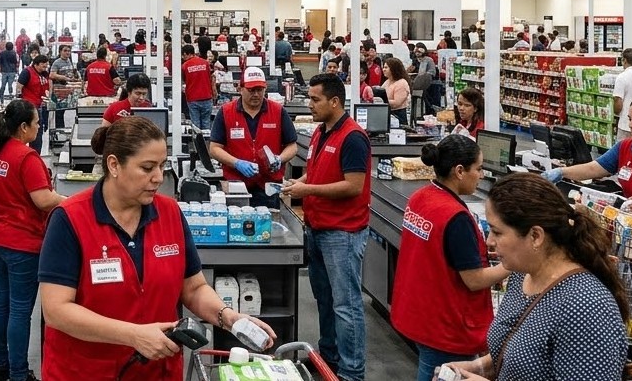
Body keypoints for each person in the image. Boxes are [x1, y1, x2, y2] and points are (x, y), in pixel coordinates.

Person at [37, 117, 275, 379]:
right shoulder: (70, 219)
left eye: (162, 166)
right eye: (147, 168)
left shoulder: (169, 212)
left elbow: (193, 287)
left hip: (157, 371)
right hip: (87, 371)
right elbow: (57, 310)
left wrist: (227, 317)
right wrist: (134, 336)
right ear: (114, 165)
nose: (159, 178)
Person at [443, 173, 628, 381]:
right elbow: (520, 355)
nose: (489, 241)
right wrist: (479, 368)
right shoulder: (522, 274)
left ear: (535, 236)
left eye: (497, 232)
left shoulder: (588, 308)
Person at [390, 136, 509, 381]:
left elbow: (437, 251)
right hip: (446, 326)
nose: (481, 174)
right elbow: (474, 280)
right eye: (478, 169)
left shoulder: (421, 197)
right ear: (459, 171)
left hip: (420, 314)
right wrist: (514, 263)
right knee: (440, 374)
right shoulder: (455, 217)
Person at [281, 74, 371, 381]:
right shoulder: (321, 132)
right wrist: (299, 182)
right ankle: (328, 359)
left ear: (334, 102)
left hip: (342, 234)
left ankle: (351, 372)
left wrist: (308, 192)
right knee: (325, 299)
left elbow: (353, 186)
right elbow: (316, 172)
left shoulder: (353, 137)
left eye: (315, 99)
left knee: (346, 306)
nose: (310, 104)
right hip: (317, 228)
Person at [0, 100, 65, 381]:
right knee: (19, 309)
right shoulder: (25, 157)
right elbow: (43, 200)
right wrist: (70, 202)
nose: (39, 128)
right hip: (21, 242)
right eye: (36, 124)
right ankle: (18, 373)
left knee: (1, 302)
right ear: (23, 127)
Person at [209, 67, 298, 208]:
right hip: (236, 186)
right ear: (240, 88)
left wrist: (280, 159)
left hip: (267, 187)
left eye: (260, 90)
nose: (256, 94)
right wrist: (237, 163)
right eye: (251, 90)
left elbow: (292, 146)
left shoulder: (278, 111)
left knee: (267, 227)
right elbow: (214, 148)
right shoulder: (226, 112)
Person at [543, 97, 632, 215]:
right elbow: (593, 168)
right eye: (630, 119)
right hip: (630, 220)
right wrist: (561, 172)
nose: (631, 125)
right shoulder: (625, 147)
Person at [17, 54, 51, 154]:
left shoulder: (44, 73)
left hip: (41, 104)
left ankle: (35, 154)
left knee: (38, 132)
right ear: (36, 64)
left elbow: (47, 84)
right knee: (29, 130)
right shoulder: (27, 72)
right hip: (29, 106)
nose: (45, 68)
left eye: (46, 66)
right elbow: (19, 87)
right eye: (43, 65)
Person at [182, 44, 217, 130]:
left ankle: (197, 143)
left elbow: (185, 80)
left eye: (183, 55)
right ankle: (206, 142)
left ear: (187, 54)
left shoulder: (184, 66)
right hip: (207, 97)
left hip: (193, 98)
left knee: (195, 125)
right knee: (206, 123)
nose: (183, 57)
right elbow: (210, 77)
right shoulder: (205, 63)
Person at [614, 49, 632, 142]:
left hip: (626, 124)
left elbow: (618, 100)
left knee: (623, 150)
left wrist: (616, 113)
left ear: (624, 60)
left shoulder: (622, 77)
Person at [50, 45, 78, 129]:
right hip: (60, 91)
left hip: (69, 90)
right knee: (60, 112)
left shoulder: (70, 61)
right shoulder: (57, 62)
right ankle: (59, 130)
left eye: (69, 51)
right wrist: (64, 78)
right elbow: (52, 75)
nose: (67, 53)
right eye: (65, 51)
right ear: (60, 52)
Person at [381, 57, 411, 124]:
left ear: (393, 69)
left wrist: (381, 101)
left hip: (398, 116)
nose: (383, 70)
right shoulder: (387, 82)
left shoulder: (402, 83)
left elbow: (397, 103)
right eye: (383, 67)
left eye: (386, 67)